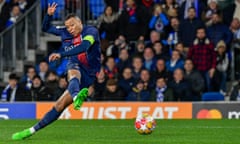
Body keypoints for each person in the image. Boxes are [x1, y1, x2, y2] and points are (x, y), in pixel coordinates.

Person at [12, 3, 101, 140]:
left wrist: (61, 54)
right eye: (68, 26)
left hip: (90, 72)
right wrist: (48, 15)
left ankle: (77, 95)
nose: (70, 29)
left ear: (79, 22)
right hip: (75, 65)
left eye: (72, 25)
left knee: (73, 69)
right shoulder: (64, 32)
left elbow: (84, 47)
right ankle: (31, 130)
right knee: (60, 104)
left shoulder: (91, 32)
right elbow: (45, 27)